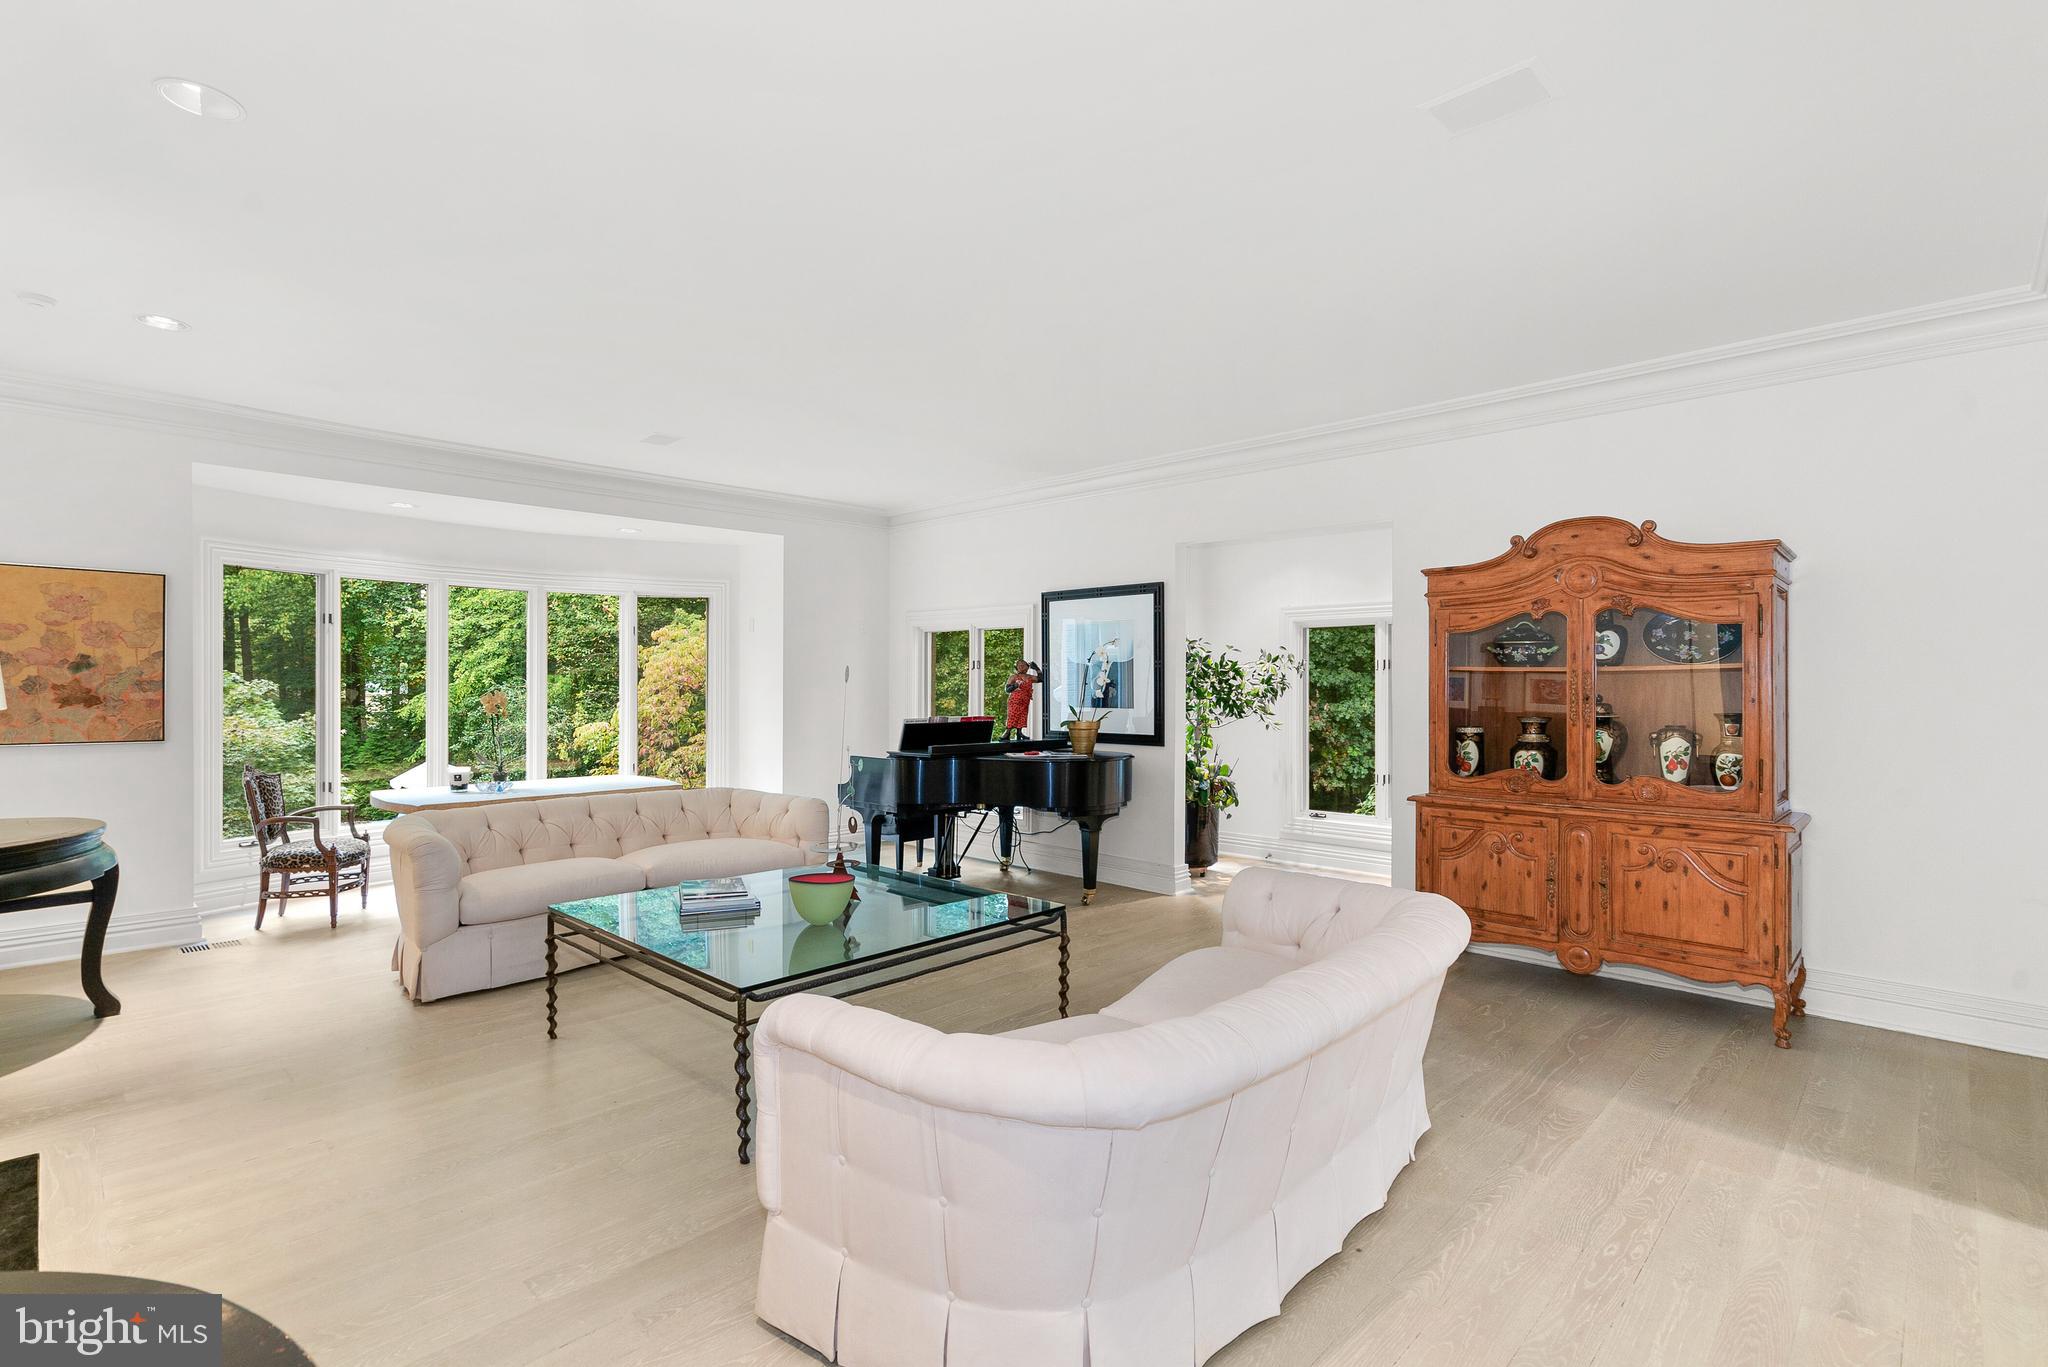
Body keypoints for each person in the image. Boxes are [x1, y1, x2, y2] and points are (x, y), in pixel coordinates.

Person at [1001, 659, 1041, 741]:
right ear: (1016, 667)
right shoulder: (1013, 677)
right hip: (1015, 700)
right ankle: (1007, 732)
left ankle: (1019, 732)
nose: (1022, 667)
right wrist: (1015, 685)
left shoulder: (1030, 677)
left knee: (1022, 716)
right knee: (1012, 715)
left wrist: (1037, 668)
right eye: (1019, 665)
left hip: (1025, 700)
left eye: (1023, 665)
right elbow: (1007, 689)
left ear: (1027, 667)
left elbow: (1041, 679)